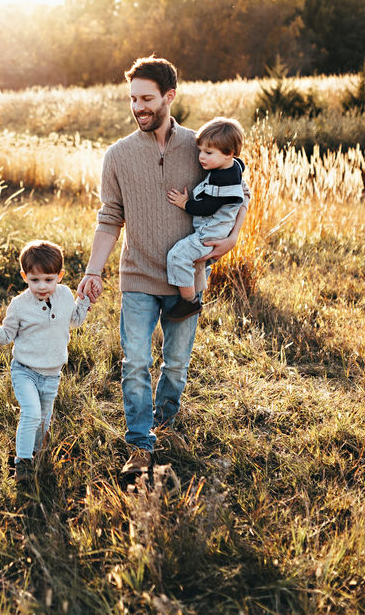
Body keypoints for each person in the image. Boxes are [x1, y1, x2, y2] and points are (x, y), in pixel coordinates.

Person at [76, 57, 251, 481]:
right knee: (135, 363)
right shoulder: (117, 155)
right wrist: (93, 271)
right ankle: (139, 444)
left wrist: (233, 240)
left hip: (186, 278)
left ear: (169, 97)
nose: (138, 107)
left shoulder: (200, 147)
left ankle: (165, 425)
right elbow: (109, 217)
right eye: (133, 99)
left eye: (147, 99)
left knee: (175, 364)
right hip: (137, 275)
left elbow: (241, 193)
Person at [0, 240, 91, 483]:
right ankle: (22, 463)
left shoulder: (65, 295)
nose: (42, 286)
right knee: (30, 413)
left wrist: (85, 301)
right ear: (24, 276)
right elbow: (6, 336)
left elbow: (74, 320)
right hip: (25, 371)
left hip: (52, 373)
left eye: (49, 279)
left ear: (60, 276)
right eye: (35, 280)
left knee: (43, 420)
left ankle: (39, 457)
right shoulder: (19, 305)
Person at [163, 117, 247, 322]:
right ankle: (189, 296)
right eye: (200, 150)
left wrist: (185, 203)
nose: (201, 157)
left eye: (208, 153)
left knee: (177, 256)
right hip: (215, 229)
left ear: (228, 153)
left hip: (210, 233)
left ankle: (189, 301)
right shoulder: (233, 166)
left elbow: (206, 207)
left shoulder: (223, 180)